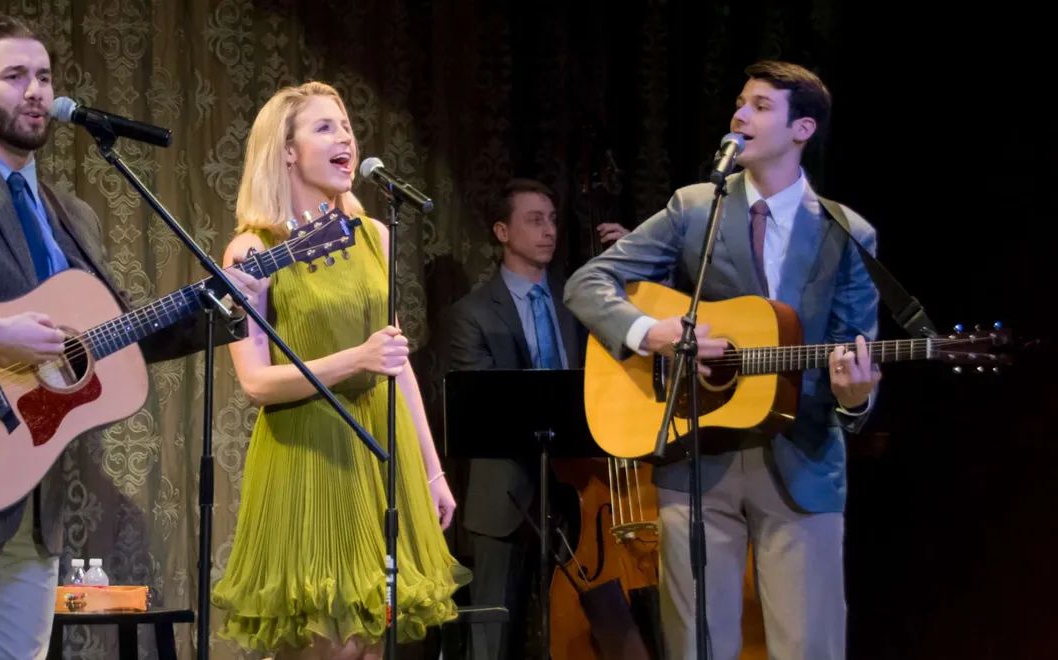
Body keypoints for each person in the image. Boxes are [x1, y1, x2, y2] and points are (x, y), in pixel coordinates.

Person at [0, 16, 253, 657]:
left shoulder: (73, 214)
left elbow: (119, 336)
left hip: (37, 496)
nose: (36, 91)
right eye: (14, 76)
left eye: (44, 77)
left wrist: (225, 309)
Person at [563, 60, 881, 660]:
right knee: (695, 647)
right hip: (696, 450)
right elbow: (588, 283)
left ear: (802, 130)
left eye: (760, 106)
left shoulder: (848, 232)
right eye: (740, 102)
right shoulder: (694, 207)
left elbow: (854, 351)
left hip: (802, 457)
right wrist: (648, 332)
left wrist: (855, 396)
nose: (739, 115)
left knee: (808, 646)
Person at [211, 81, 468, 659]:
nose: (345, 137)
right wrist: (354, 359)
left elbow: (397, 366)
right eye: (325, 127)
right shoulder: (253, 249)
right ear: (286, 151)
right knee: (324, 647)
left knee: (371, 643)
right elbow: (255, 383)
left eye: (347, 126)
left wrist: (431, 472)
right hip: (309, 453)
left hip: (381, 451)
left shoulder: (374, 235)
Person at [446, 178, 586, 659]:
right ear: (502, 231)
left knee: (575, 630)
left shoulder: (579, 300)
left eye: (552, 220)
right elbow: (486, 406)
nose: (549, 231)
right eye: (534, 220)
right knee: (492, 637)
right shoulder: (472, 314)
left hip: (579, 491)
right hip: (503, 492)